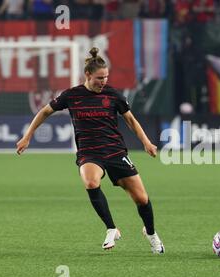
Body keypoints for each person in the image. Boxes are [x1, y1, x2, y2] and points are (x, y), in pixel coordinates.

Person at [16, 47, 165, 254]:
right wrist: (27, 136)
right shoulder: (72, 95)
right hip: (89, 153)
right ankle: (112, 228)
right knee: (90, 181)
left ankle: (151, 233)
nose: (103, 81)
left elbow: (130, 119)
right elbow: (45, 111)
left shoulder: (113, 95)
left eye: (105, 77)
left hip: (115, 151)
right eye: (99, 77)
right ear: (87, 75)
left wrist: (146, 143)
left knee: (142, 199)